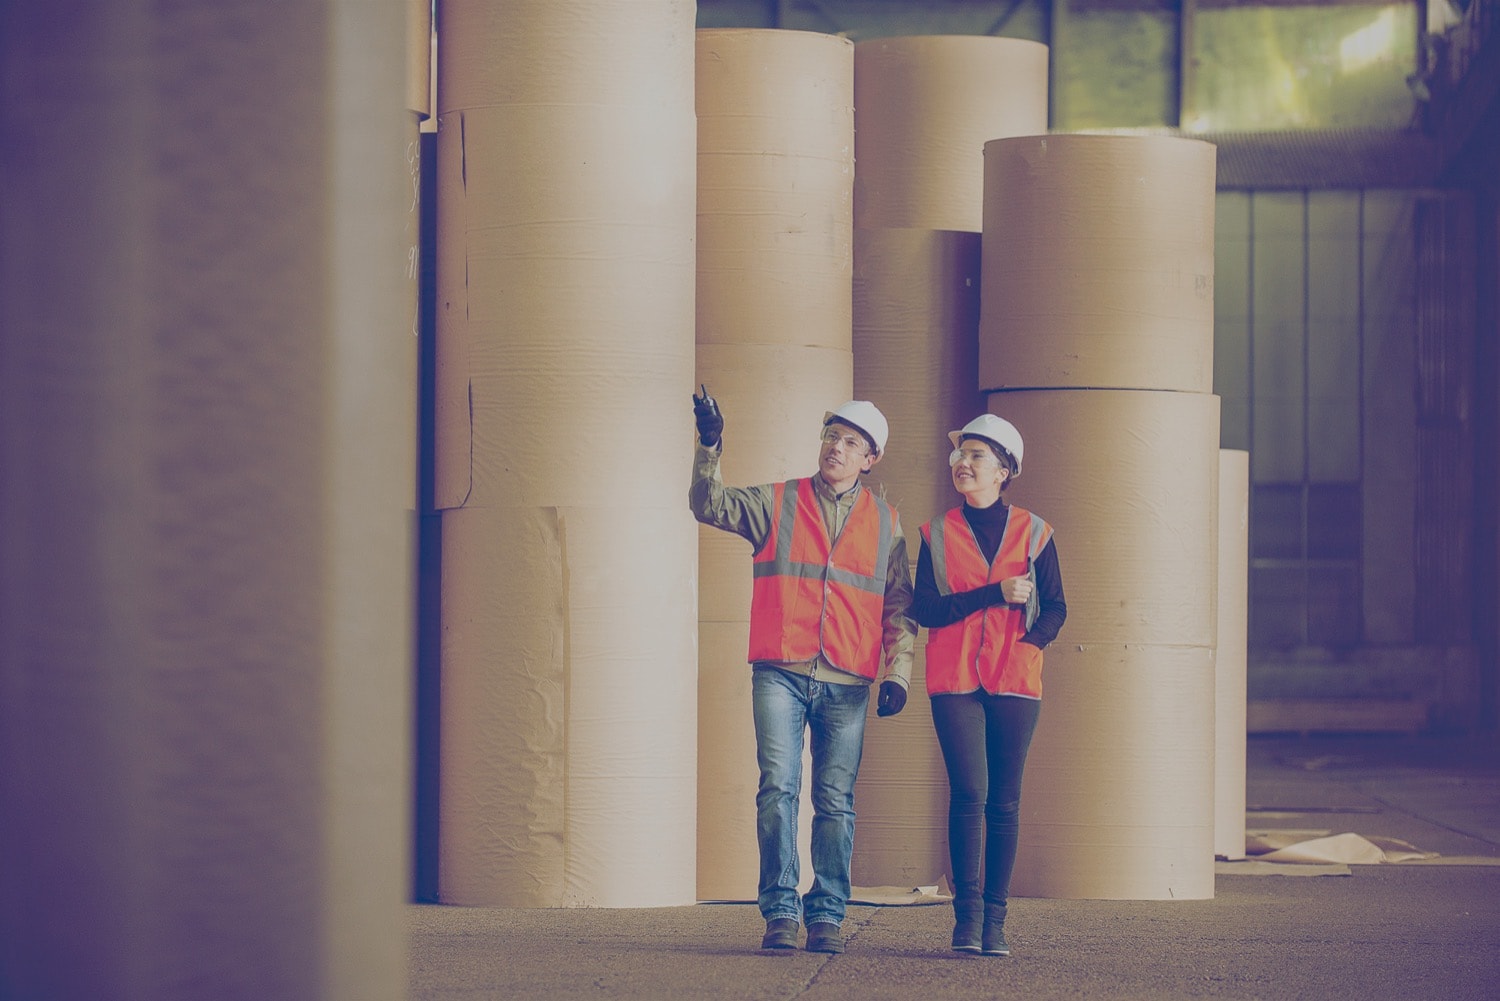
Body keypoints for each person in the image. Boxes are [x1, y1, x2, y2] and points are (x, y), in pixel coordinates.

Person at [689, 388, 916, 955]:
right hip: (780, 671)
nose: (836, 448)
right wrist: (710, 444)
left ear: (871, 459)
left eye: (851, 443)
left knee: (835, 800)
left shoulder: (887, 522)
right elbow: (707, 504)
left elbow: (898, 607)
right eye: (832, 437)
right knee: (778, 791)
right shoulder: (778, 501)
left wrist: (899, 673)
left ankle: (828, 915)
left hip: (847, 679)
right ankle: (782, 911)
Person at [910, 413, 1067, 957]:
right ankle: (966, 919)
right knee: (969, 795)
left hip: (1016, 680)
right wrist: (993, 593)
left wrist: (1029, 645)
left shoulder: (1036, 532)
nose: (963, 464)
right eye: (960, 455)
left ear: (1004, 471)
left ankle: (995, 921)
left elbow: (1058, 609)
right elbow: (925, 609)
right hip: (953, 679)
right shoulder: (935, 534)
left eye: (977, 456)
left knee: (1004, 801)